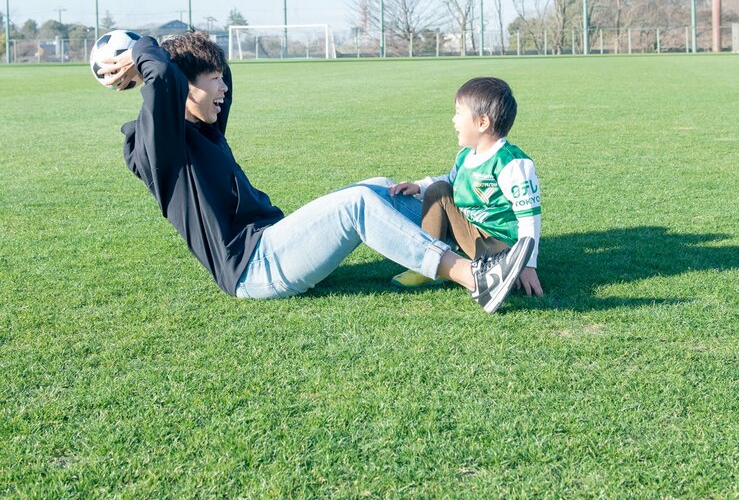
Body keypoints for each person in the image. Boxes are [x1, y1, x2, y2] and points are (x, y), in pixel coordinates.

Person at [103, 32, 534, 314]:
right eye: (213, 81)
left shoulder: (206, 128)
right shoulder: (160, 149)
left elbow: (190, 70)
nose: (224, 88)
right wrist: (142, 50)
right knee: (357, 206)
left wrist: (169, 48)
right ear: (184, 88)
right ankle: (475, 278)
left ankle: (483, 245)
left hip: (275, 240)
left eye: (221, 78)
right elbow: (162, 74)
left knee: (379, 187)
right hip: (252, 269)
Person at [382, 76, 543, 298]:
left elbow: (529, 218)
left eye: (459, 113)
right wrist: (419, 186)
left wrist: (528, 264)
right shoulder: (466, 155)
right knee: (438, 190)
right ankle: (428, 267)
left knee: (441, 192)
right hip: (473, 235)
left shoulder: (512, 164)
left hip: (502, 246)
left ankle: (498, 273)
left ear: (482, 123)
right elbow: (450, 181)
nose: (453, 120)